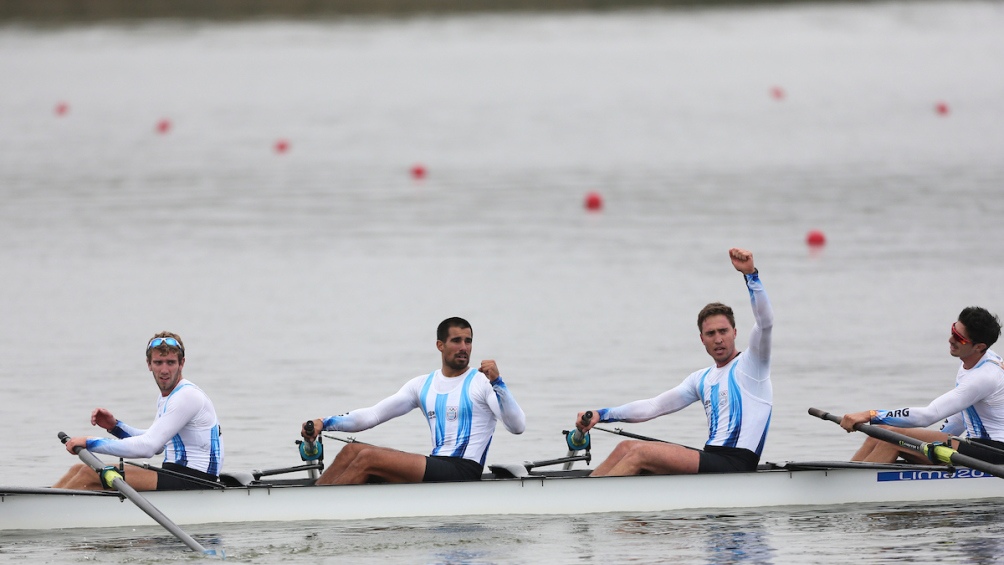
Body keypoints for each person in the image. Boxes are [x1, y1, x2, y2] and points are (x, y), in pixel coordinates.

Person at [573, 248, 773, 476]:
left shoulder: (752, 365)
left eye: (723, 331)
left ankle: (594, 505)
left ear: (735, 332)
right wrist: (602, 414)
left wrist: (751, 275)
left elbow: (765, 323)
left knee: (641, 454)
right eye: (710, 334)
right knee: (625, 447)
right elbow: (653, 407)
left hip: (737, 464)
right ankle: (582, 501)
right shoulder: (702, 379)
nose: (718, 339)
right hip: (713, 457)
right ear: (702, 339)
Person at [301, 317, 526, 485]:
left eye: (468, 341)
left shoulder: (483, 383)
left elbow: (517, 426)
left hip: (464, 470)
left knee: (368, 457)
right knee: (351, 451)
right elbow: (372, 415)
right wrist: (324, 422)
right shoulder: (422, 385)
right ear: (440, 345)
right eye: (456, 341)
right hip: (438, 464)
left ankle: (318, 509)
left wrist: (499, 382)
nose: (464, 347)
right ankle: (314, 503)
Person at [53, 332, 224, 491]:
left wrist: (90, 442)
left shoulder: (187, 396)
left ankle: (46, 513)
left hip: (196, 481)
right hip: (175, 474)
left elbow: (149, 447)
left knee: (87, 474)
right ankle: (48, 502)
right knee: (79, 469)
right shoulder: (167, 397)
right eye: (158, 362)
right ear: (149, 364)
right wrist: (115, 427)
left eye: (171, 362)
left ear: (182, 363)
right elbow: (156, 442)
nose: (164, 370)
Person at [839, 307, 1004, 465]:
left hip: (995, 451)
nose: (951, 339)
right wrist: (937, 438)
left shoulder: (983, 377)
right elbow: (964, 412)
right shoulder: (978, 359)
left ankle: (853, 490)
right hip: (974, 445)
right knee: (879, 434)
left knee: (893, 438)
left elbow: (927, 416)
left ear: (979, 347)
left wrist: (870, 415)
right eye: (953, 330)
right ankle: (843, 479)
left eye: (959, 338)